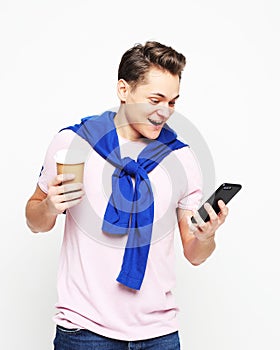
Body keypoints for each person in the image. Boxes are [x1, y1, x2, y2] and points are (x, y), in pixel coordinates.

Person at [25, 41, 228, 350]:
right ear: (124, 90)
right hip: (84, 333)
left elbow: (194, 254)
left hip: (159, 335)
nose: (164, 112)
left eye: (172, 102)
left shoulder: (182, 159)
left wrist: (206, 235)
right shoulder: (74, 142)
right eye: (155, 99)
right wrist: (50, 207)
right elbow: (34, 220)